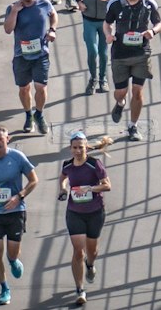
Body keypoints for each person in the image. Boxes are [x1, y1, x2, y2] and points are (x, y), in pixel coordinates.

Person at [0, 124, 38, 307]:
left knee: (12, 253)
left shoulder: (17, 157)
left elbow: (34, 180)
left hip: (15, 212)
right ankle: (4, 288)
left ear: (7, 139)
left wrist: (19, 196)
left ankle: (13, 261)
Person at [57, 130, 112, 305]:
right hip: (75, 213)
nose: (77, 151)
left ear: (86, 148)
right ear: (70, 148)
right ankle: (80, 290)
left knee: (92, 251)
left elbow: (107, 186)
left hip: (95, 212)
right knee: (78, 252)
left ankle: (90, 264)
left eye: (80, 147)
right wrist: (64, 189)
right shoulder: (67, 164)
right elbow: (63, 177)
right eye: (74, 148)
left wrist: (89, 189)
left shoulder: (95, 164)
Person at [107, 0, 161, 142]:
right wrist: (108, 35)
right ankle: (120, 103)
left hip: (141, 53)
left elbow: (159, 23)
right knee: (120, 92)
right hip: (120, 54)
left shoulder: (148, 4)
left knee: (137, 91)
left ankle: (133, 126)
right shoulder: (116, 4)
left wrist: (152, 31)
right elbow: (107, 23)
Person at [4, 0, 58, 133]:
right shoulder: (12, 8)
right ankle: (28, 115)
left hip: (41, 54)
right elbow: (8, 29)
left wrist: (52, 29)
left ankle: (39, 115)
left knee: (41, 87)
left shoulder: (44, 4)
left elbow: (53, 14)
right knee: (24, 88)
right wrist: (14, 11)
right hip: (21, 56)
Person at [74, 0, 118, 93]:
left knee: (103, 52)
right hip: (88, 20)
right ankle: (93, 79)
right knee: (92, 51)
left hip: (105, 21)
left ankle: (103, 78)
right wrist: (79, 2)